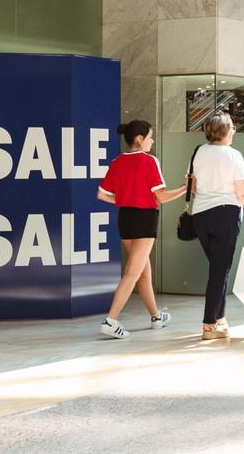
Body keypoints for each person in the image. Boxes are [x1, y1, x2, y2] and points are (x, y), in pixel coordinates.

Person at [95, 120, 187, 339]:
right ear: (139, 138)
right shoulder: (149, 161)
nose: (152, 141)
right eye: (150, 136)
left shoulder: (117, 161)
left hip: (125, 218)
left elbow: (102, 194)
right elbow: (161, 197)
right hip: (144, 219)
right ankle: (111, 320)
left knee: (143, 272)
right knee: (133, 273)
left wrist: (126, 198)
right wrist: (186, 188)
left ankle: (156, 317)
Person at [189, 112, 244, 340]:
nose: (234, 131)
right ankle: (209, 324)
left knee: (219, 269)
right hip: (226, 214)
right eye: (232, 127)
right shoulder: (233, 155)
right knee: (219, 270)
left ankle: (220, 318)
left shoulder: (198, 152)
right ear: (224, 131)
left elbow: (193, 187)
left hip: (200, 214)